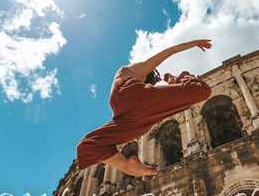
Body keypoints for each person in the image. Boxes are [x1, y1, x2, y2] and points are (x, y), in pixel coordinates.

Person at [76, 39, 213, 177]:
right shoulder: (133, 70)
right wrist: (194, 43)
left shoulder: (128, 81)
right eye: (154, 81)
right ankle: (180, 78)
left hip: (126, 114)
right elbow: (168, 52)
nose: (154, 84)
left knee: (89, 145)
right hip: (132, 98)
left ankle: (127, 166)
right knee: (201, 90)